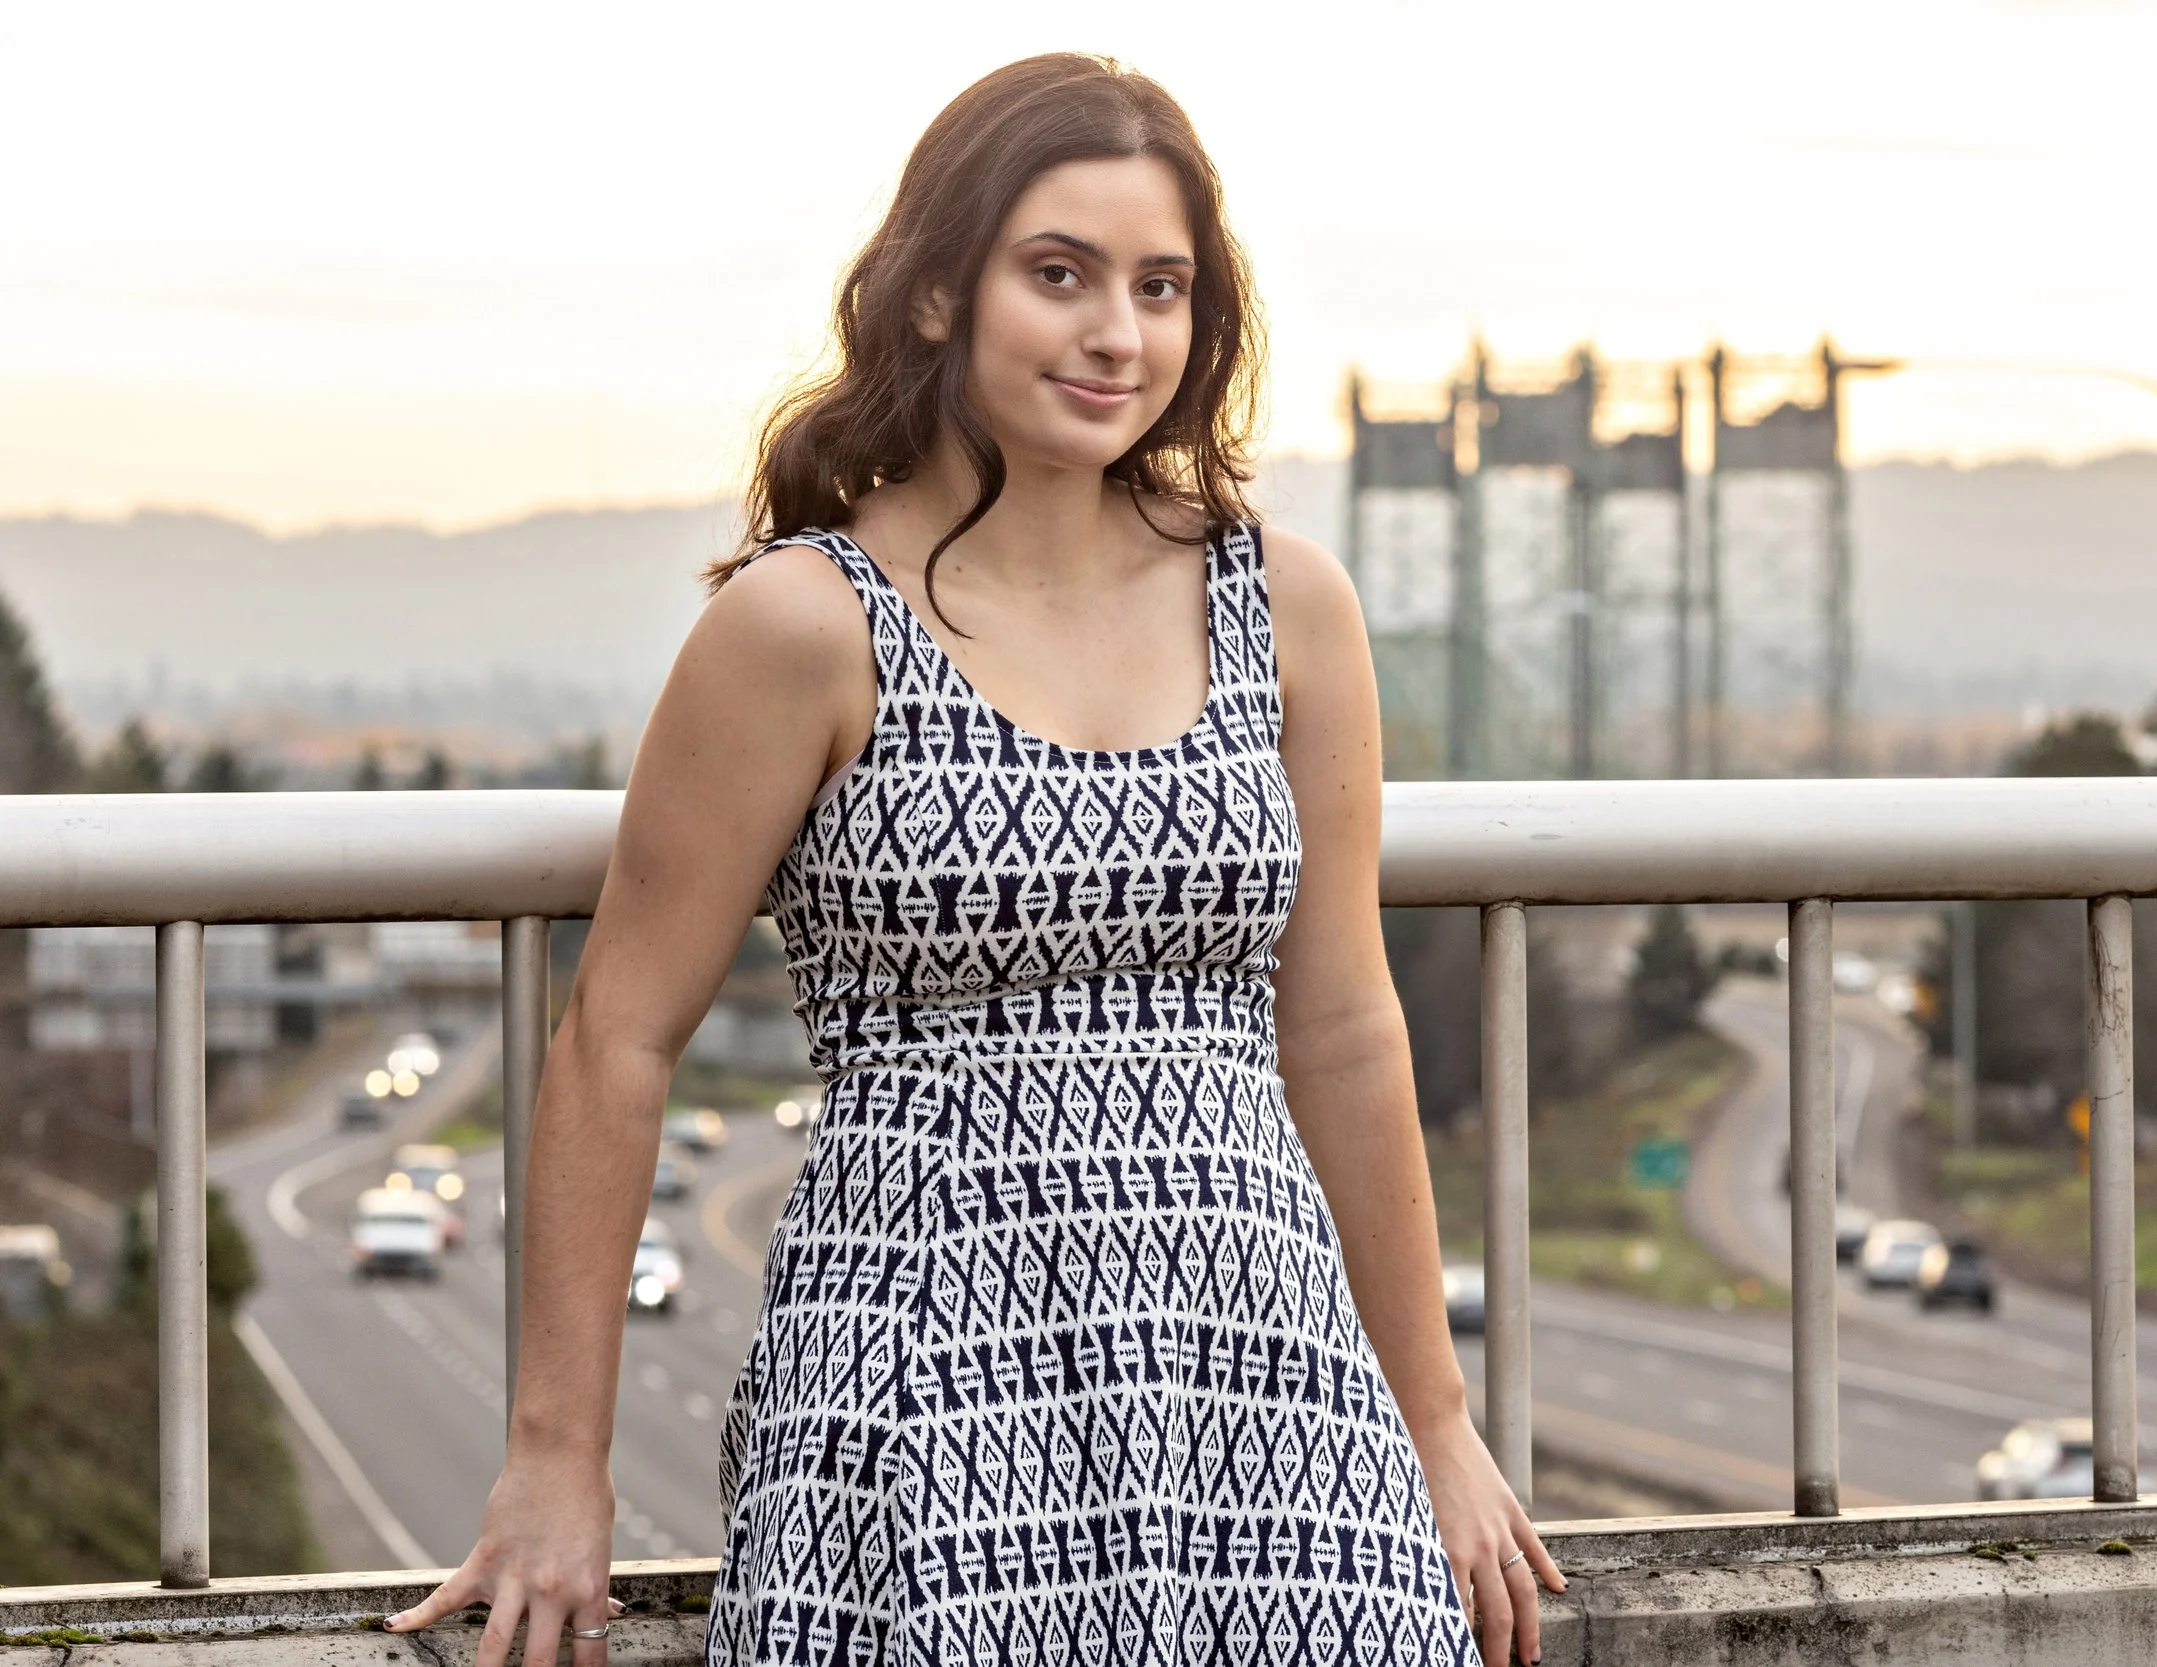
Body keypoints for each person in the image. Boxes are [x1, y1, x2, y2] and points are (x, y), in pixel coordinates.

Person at [385, 51, 1562, 1667]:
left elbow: (1344, 1027)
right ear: (937, 294)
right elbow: (620, 1035)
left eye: (1162, 287)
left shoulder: (1286, 603)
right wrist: (554, 1458)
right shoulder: (803, 624)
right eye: (1058, 274)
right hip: (927, 1375)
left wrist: (1435, 1415)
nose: (1117, 334)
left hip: (1268, 1380)